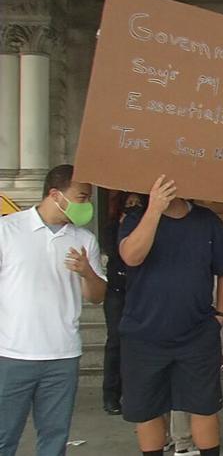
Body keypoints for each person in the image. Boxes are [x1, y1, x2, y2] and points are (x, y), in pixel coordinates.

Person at [118, 175, 223, 456]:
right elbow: (132, 256)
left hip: (196, 333)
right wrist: (154, 210)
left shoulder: (206, 220)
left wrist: (220, 314)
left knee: (204, 407)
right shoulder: (135, 218)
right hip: (143, 335)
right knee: (147, 411)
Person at [0, 164, 107, 455]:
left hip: (62, 355)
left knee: (54, 439)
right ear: (55, 194)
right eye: (82, 197)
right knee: (4, 436)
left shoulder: (84, 240)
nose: (87, 205)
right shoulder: (7, 230)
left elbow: (97, 297)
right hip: (12, 354)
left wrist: (87, 272)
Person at [101, 191, 145, 416]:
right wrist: (123, 230)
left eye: (137, 204)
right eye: (129, 204)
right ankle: (111, 395)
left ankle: (133, 392)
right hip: (117, 290)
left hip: (139, 290)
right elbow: (115, 253)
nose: (133, 207)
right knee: (116, 343)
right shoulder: (111, 227)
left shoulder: (145, 227)